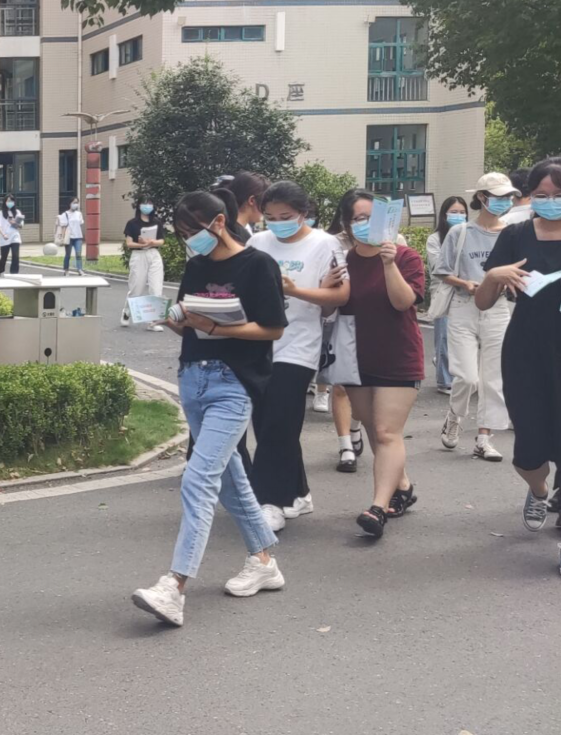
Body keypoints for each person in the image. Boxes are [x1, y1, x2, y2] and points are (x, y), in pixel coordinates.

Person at [131, 190, 287, 628]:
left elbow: (273, 328)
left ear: (219, 222)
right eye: (182, 233)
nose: (188, 240)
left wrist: (217, 327)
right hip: (193, 378)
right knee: (229, 478)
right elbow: (188, 322)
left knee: (199, 479)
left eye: (192, 231)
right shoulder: (197, 266)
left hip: (234, 384)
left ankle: (174, 586)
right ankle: (264, 561)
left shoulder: (258, 265)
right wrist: (173, 319)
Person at [247, 181, 349, 531]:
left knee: (278, 421)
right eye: (270, 217)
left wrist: (295, 290)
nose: (277, 223)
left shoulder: (325, 244)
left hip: (299, 344)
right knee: (267, 422)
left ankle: (269, 501)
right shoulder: (257, 242)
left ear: (304, 213)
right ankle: (299, 493)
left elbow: (339, 296)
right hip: (258, 343)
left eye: (285, 216)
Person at [336, 189, 426, 539]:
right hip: (355, 358)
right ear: (347, 224)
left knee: (387, 432)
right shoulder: (343, 261)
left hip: (397, 357)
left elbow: (403, 302)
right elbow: (331, 306)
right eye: (357, 218)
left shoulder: (405, 257)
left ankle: (377, 507)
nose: (364, 224)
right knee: (373, 427)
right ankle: (402, 486)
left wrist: (388, 264)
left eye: (370, 217)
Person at [478, 158, 561, 533]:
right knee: (528, 447)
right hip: (527, 349)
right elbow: (483, 302)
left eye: (558, 194)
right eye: (542, 194)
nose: (550, 201)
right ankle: (539, 489)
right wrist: (494, 276)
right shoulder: (516, 235)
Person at [435, 175, 516, 460]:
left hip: (498, 308)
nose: (504, 201)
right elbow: (442, 270)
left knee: (493, 377)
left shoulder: (512, 233)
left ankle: (484, 438)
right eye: (498, 196)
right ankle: (455, 415)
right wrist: (465, 283)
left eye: (507, 196)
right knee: (467, 376)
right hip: (464, 306)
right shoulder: (460, 232)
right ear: (482, 197)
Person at [426, 196, 468, 395]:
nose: (459, 216)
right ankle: (444, 380)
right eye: (454, 212)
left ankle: (457, 371)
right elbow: (439, 267)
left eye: (462, 212)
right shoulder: (435, 239)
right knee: (444, 336)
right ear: (444, 215)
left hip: (466, 291)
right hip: (444, 291)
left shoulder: (469, 235)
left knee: (464, 337)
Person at [121, 197, 167, 331]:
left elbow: (161, 241)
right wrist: (141, 244)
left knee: (156, 288)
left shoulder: (157, 222)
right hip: (139, 255)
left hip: (154, 254)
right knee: (136, 288)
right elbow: (129, 243)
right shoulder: (132, 223)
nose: (147, 206)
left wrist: (151, 242)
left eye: (150, 204)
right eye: (144, 204)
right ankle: (127, 311)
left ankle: (153, 322)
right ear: (139, 206)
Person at [215, 172, 268, 239]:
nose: (266, 208)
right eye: (265, 202)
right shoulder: (237, 237)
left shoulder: (217, 226)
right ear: (252, 200)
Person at [0, 195, 23, 276]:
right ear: (5, 202)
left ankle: (14, 273)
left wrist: (14, 223)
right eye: (8, 201)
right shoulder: (1, 213)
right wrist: (3, 234)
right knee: (4, 256)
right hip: (5, 237)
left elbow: (20, 226)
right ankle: (0, 270)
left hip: (15, 236)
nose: (10, 203)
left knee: (15, 255)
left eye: (11, 201)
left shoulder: (17, 212)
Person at [59, 198, 86, 276]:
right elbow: (63, 227)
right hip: (69, 237)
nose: (76, 204)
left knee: (78, 254)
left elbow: (80, 223)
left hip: (78, 237)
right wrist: (62, 237)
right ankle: (66, 270)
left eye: (77, 202)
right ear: (70, 203)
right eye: (74, 202)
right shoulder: (65, 214)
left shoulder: (79, 214)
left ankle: (80, 269)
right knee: (68, 254)